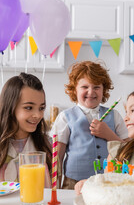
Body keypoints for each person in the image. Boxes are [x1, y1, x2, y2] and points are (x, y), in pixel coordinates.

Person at [50, 61, 128, 189]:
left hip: (109, 181)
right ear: (74, 89)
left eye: (96, 87)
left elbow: (129, 150)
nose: (91, 92)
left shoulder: (115, 115)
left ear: (104, 89)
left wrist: (109, 135)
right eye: (85, 87)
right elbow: (57, 156)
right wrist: (55, 187)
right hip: (73, 182)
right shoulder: (65, 117)